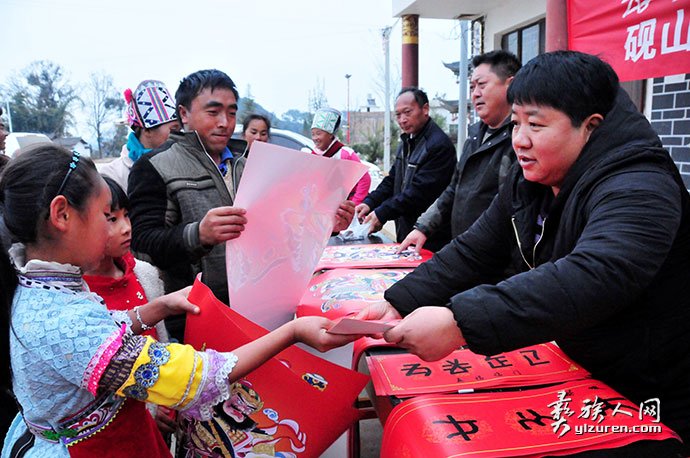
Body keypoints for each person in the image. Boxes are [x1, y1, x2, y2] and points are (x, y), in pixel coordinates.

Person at [357, 51, 690, 450]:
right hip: (577, 370)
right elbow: (476, 249)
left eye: (536, 124)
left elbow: (596, 274)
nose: (520, 140)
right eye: (516, 123)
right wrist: (400, 301)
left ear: (590, 126)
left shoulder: (640, 185)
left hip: (649, 383)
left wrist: (460, 323)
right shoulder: (532, 174)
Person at [0, 144, 357, 457]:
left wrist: (159, 307)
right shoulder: (58, 317)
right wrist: (291, 333)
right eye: (106, 216)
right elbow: (191, 377)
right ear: (62, 215)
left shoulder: (44, 287)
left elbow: (97, 337)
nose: (117, 229)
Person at [128, 70, 354, 341]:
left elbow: (283, 229)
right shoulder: (154, 166)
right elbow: (143, 243)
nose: (224, 123)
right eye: (213, 112)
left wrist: (328, 223)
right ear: (184, 114)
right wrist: (198, 234)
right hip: (195, 319)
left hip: (259, 313)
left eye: (232, 113)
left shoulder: (250, 164)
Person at [398, 51, 521, 254]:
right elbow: (454, 189)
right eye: (472, 87)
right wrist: (423, 227)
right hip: (465, 251)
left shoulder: (518, 141)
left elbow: (511, 210)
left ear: (511, 85)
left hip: (498, 259)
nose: (475, 94)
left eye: (482, 85)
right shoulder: (474, 136)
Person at [355, 87, 456, 251]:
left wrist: (382, 213)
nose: (402, 119)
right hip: (407, 231)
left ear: (425, 109)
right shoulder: (408, 141)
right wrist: (369, 202)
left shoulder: (438, 145)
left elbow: (418, 193)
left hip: (430, 236)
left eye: (407, 112)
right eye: (398, 114)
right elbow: (392, 179)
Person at [100, 80, 180, 193]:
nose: (179, 135)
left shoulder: (183, 164)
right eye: (173, 129)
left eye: (180, 129)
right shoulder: (112, 176)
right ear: (147, 130)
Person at [310, 107, 371, 205]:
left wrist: (354, 204)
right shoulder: (313, 155)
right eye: (313, 134)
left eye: (318, 134)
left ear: (330, 134)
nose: (315, 138)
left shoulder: (345, 153)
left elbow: (364, 179)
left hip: (346, 206)